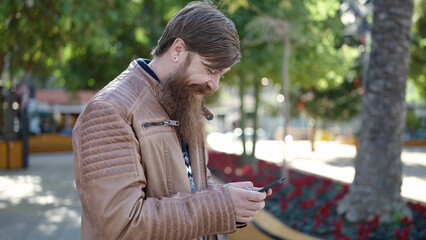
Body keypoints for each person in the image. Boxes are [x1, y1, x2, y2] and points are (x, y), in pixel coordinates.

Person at [72, 2, 271, 239]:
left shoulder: (185, 101)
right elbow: (122, 225)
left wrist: (232, 200)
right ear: (178, 49)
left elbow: (193, 187)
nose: (214, 86)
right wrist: (221, 206)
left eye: (221, 75)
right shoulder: (109, 111)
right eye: (210, 70)